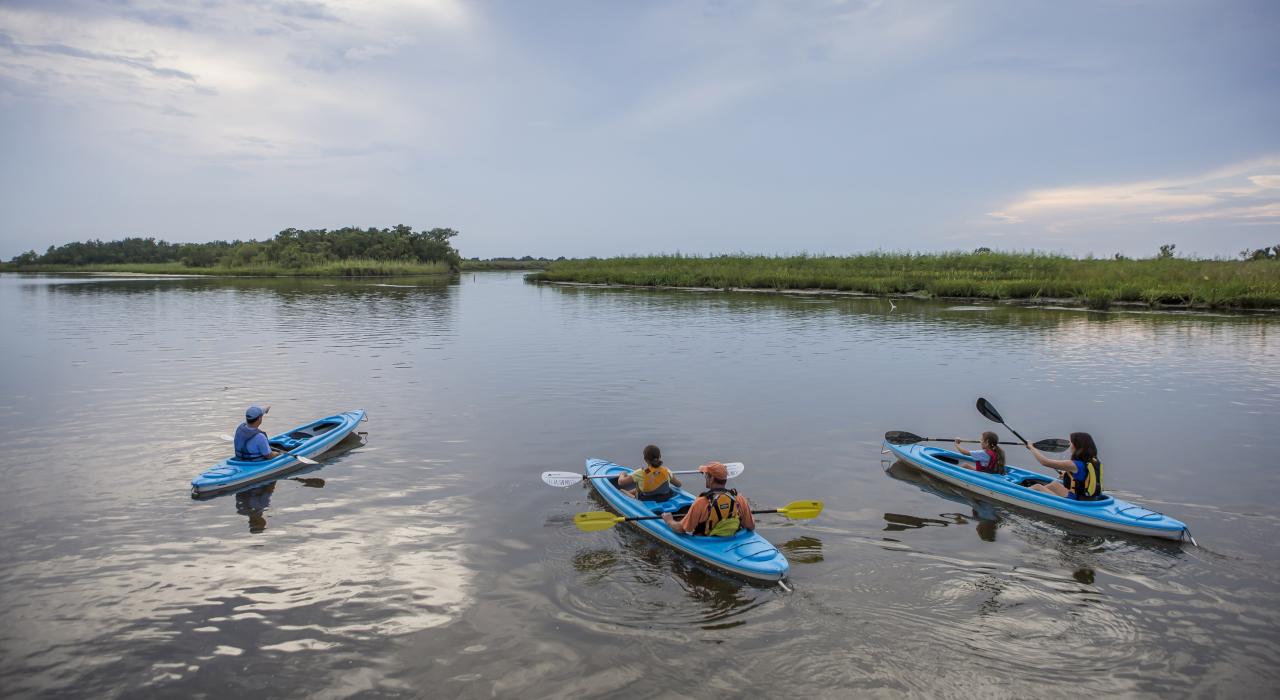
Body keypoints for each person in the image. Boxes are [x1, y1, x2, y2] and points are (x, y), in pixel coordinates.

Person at [661, 462, 755, 536]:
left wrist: (669, 520)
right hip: (734, 538)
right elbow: (751, 526)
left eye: (706, 475)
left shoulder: (701, 502)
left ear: (712, 478)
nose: (705, 477)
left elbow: (681, 529)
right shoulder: (739, 499)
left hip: (708, 542)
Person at [1024, 432, 1104, 500]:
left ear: (1077, 446)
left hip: (1076, 501)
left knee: (1037, 487)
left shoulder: (1073, 464)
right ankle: (1040, 499)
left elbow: (1044, 462)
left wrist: (1032, 448)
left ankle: (1020, 499)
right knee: (1054, 485)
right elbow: (1085, 475)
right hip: (1089, 498)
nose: (1069, 445)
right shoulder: (1093, 460)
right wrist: (1067, 475)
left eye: (1071, 443)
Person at [616, 445, 682, 500]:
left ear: (645, 459)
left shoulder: (642, 472)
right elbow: (679, 484)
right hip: (665, 497)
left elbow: (621, 483)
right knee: (640, 488)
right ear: (660, 456)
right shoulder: (666, 470)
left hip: (646, 499)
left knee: (622, 491)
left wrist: (622, 474)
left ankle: (631, 496)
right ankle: (631, 492)